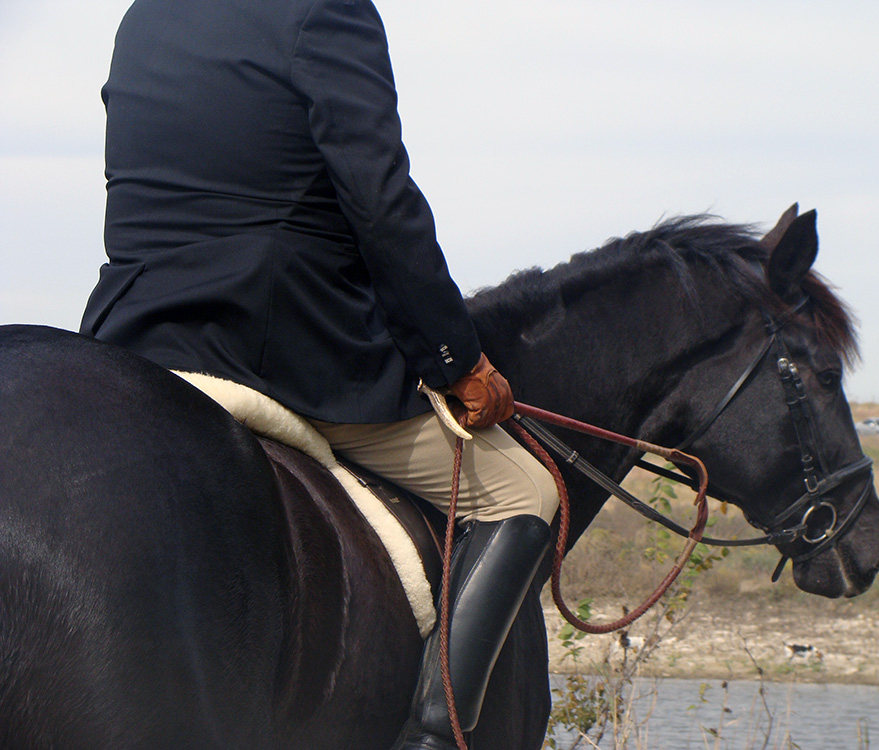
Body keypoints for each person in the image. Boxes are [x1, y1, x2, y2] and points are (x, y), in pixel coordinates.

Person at [80, 1, 560, 748]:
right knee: (524, 492)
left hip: (135, 332)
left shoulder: (146, 14)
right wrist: (456, 360)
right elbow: (381, 202)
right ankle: (438, 736)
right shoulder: (325, 10)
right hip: (282, 338)